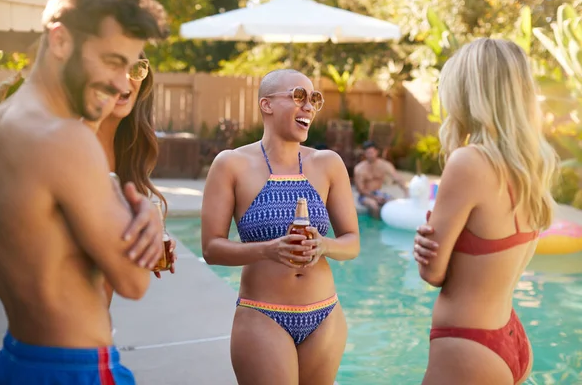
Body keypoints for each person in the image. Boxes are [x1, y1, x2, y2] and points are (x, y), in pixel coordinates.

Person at [0, 0, 169, 384]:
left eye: (131, 66)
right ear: (61, 39)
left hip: (17, 359)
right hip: (75, 368)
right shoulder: (66, 140)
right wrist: (145, 217)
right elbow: (134, 282)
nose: (122, 84)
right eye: (111, 61)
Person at [411, 38, 558, 385]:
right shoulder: (532, 166)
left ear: (467, 92)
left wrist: (423, 254)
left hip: (467, 343)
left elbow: (433, 274)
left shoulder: (469, 161)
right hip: (510, 338)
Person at [201, 68, 360, 385]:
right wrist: (268, 250)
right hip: (263, 314)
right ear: (267, 105)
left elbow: (352, 242)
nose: (309, 107)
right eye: (299, 96)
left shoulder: (328, 164)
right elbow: (211, 248)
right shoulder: (231, 164)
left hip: (325, 314)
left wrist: (324, 245)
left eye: (314, 99)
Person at [96, 52, 177, 308]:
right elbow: (133, 286)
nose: (125, 80)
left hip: (99, 330)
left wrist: (146, 243)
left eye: (136, 70)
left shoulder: (127, 151)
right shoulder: (76, 146)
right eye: (113, 66)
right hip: (60, 338)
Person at [353, 140, 408, 218]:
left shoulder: (384, 165)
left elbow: (397, 178)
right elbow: (360, 190)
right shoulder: (359, 169)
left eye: (372, 152)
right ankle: (375, 226)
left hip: (379, 193)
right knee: (373, 205)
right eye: (368, 153)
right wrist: (374, 197)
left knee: (393, 203)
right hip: (365, 195)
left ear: (377, 152)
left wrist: (406, 191)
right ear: (365, 154)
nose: (370, 155)